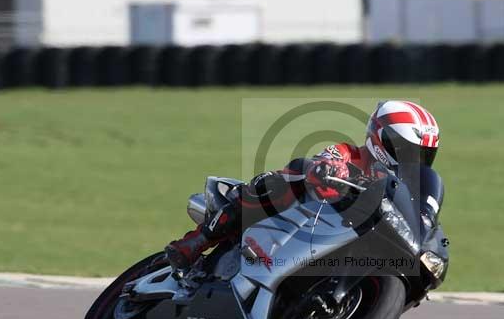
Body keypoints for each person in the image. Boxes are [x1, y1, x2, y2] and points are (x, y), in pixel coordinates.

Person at [164, 100, 441, 272]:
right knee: (294, 170)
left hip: (333, 245)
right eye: (407, 150)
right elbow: (322, 163)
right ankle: (198, 240)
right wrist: (330, 170)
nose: (413, 161)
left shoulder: (397, 189)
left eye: (421, 155)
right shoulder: (347, 153)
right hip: (293, 221)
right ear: (381, 139)